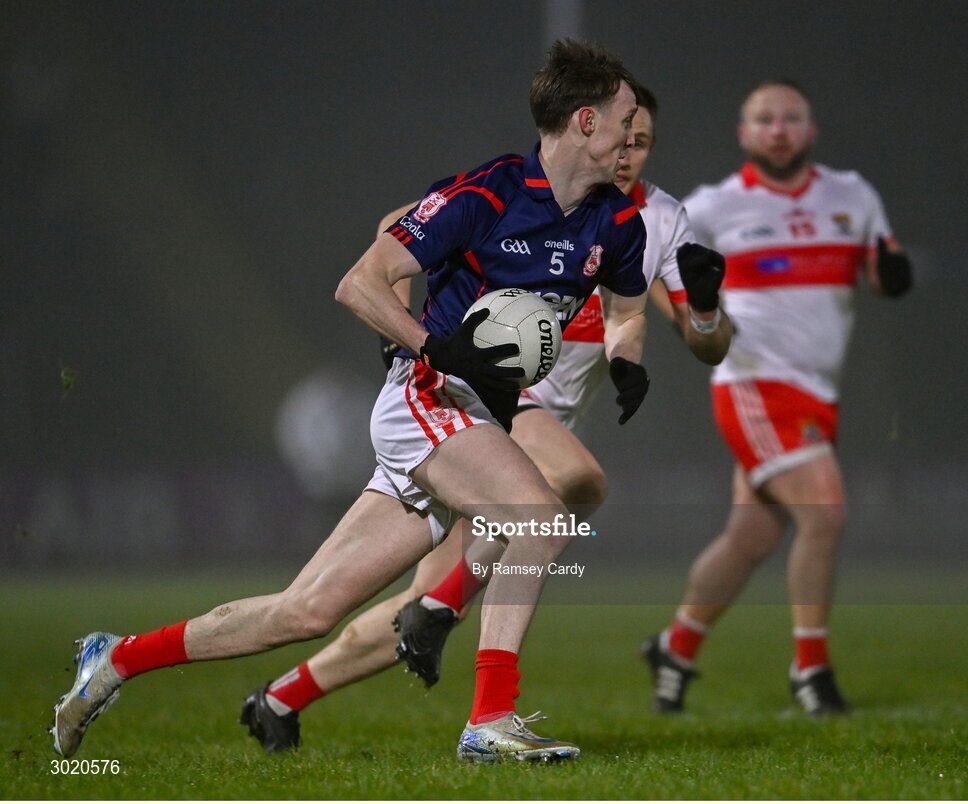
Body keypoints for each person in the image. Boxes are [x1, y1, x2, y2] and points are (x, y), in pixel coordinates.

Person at [52, 38, 652, 764]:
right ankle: (489, 718)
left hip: (477, 419)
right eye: (624, 118)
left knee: (303, 612)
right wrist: (428, 343)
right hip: (427, 398)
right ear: (584, 122)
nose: (633, 133)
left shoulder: (616, 224)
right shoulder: (488, 193)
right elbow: (361, 281)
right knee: (540, 513)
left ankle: (115, 659)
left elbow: (621, 309)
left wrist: (630, 357)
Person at [237, 85, 733, 753]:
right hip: (487, 406)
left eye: (640, 143)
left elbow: (696, 339)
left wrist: (699, 310)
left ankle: (282, 697)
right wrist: (403, 337)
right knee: (581, 481)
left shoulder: (655, 223)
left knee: (410, 607)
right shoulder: (531, 197)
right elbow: (397, 226)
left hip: (510, 448)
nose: (626, 153)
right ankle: (449, 623)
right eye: (622, 135)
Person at [642, 78, 913, 716]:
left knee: (751, 538)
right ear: (745, 134)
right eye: (764, 118)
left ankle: (674, 648)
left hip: (818, 391)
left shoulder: (853, 194)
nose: (778, 128)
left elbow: (881, 266)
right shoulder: (714, 207)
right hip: (755, 382)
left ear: (810, 130)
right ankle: (811, 672)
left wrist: (890, 275)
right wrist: (690, 322)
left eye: (791, 117)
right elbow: (655, 264)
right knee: (825, 512)